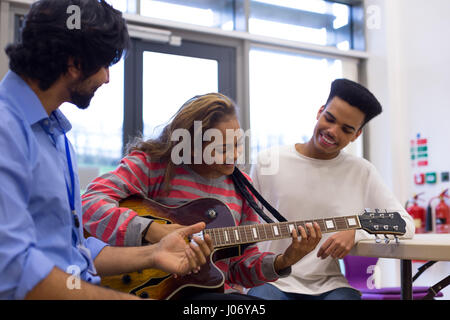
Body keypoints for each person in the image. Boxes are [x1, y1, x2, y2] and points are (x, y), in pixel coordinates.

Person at [0, 0, 212, 300]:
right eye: (104, 64)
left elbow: (73, 255)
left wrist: (154, 253)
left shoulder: (57, 138)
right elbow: (12, 269)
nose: (107, 78)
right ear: (74, 63)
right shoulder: (6, 130)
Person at [81, 92, 323, 300]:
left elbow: (238, 269)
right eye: (222, 148)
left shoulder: (243, 188)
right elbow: (89, 203)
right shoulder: (154, 166)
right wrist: (152, 230)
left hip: (210, 294)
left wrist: (283, 260)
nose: (235, 156)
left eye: (237, 144)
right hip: (144, 289)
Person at [246, 79, 415, 300]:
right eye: (330, 119)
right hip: (272, 279)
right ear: (319, 112)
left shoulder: (361, 171)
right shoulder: (269, 161)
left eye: (346, 129)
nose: (332, 131)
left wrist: (356, 231)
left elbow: (406, 224)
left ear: (356, 135)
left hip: (329, 286)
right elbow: (244, 223)